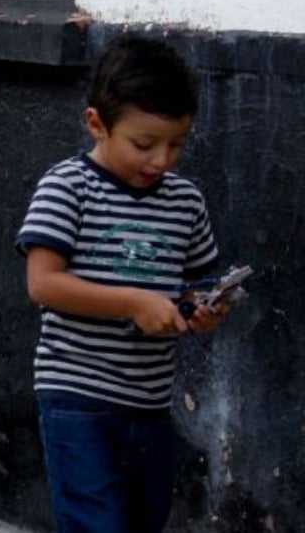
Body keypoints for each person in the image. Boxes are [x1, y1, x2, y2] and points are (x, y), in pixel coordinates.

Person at [16, 35, 230, 532]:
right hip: (76, 402)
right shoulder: (68, 187)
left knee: (142, 522)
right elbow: (43, 284)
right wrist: (134, 303)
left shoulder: (185, 201)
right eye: (144, 144)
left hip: (150, 406)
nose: (160, 161)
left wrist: (206, 309)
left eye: (176, 144)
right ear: (97, 123)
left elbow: (194, 287)